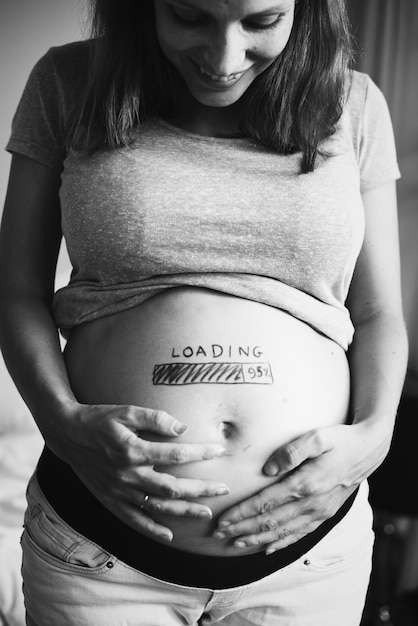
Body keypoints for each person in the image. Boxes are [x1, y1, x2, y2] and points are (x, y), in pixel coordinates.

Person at [0, 0, 408, 624]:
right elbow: (16, 290)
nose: (223, 57)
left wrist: (375, 438)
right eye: (190, 17)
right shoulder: (68, 82)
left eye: (262, 21)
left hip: (306, 563)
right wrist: (59, 421)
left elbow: (378, 311)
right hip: (100, 556)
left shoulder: (354, 104)